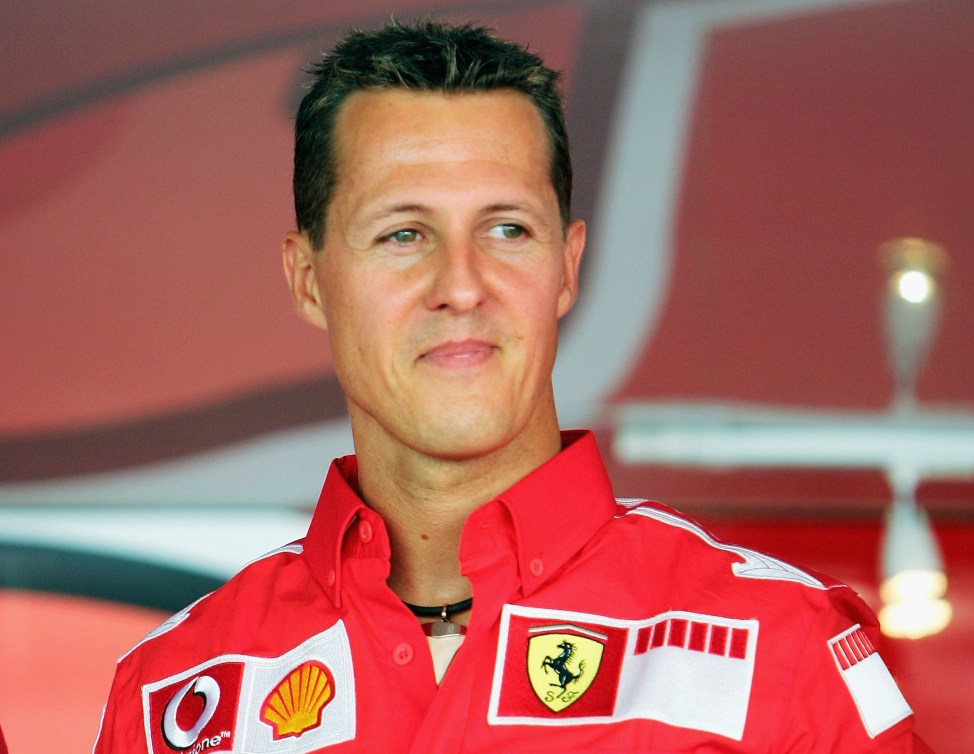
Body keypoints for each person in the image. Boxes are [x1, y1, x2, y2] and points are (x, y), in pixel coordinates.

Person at [94, 19, 931, 753]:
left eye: (506, 229)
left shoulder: (780, 647)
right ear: (308, 279)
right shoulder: (178, 691)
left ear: (566, 268)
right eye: (402, 233)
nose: (461, 284)